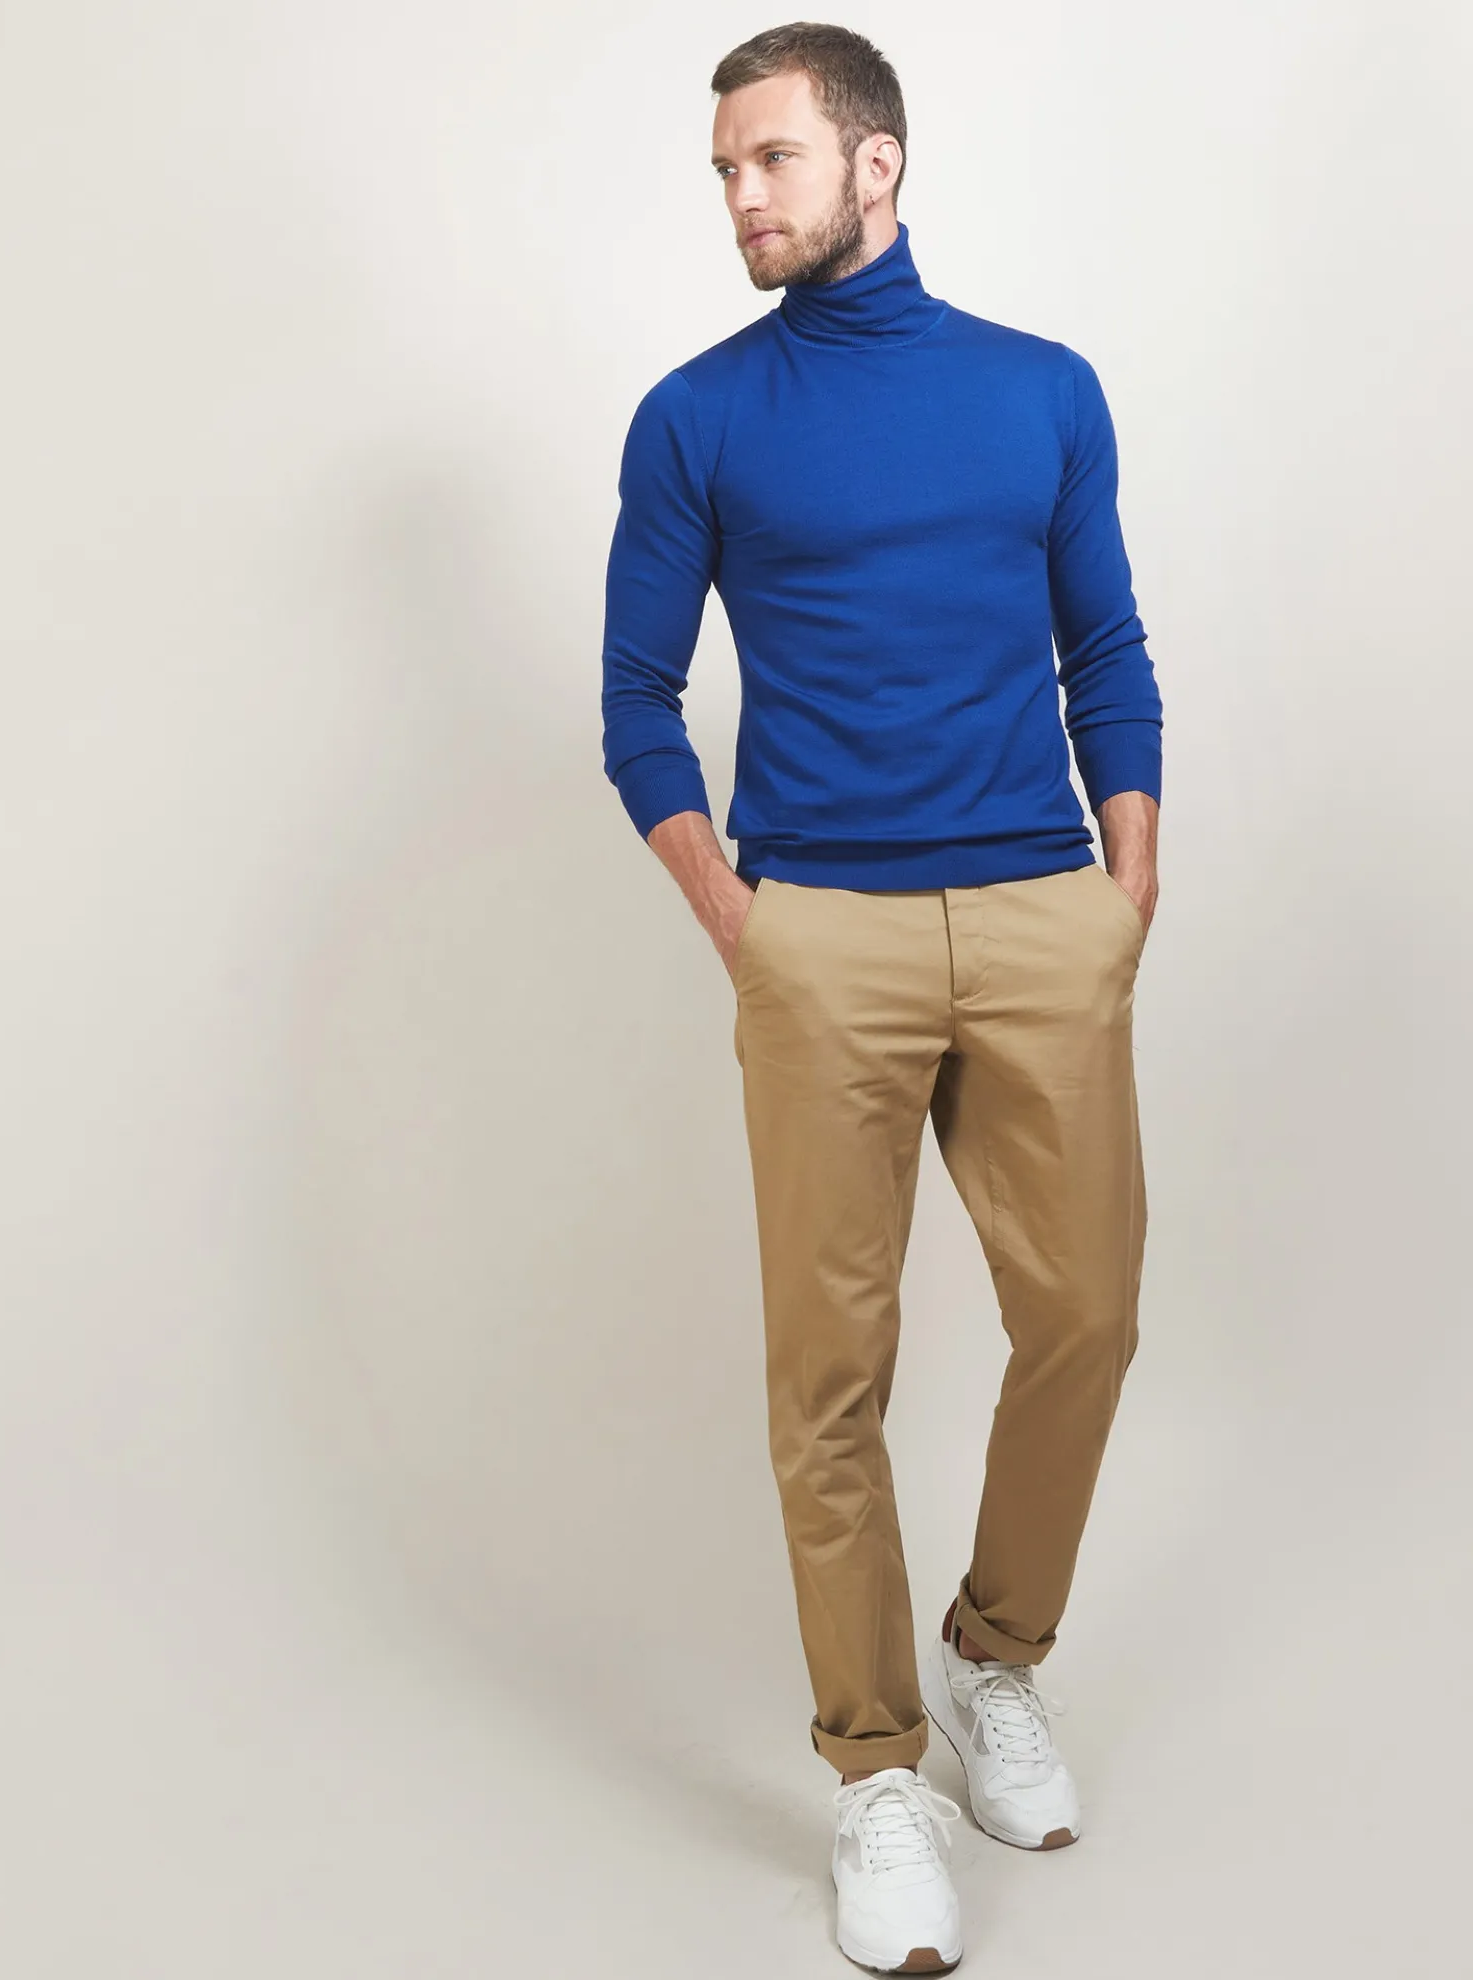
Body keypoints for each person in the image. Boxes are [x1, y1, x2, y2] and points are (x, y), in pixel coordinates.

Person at [597, 22, 1163, 1975]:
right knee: (829, 1381)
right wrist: (743, 924)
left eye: (770, 160)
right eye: (724, 171)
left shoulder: (1042, 392)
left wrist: (1124, 894)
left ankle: (996, 1656)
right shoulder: (697, 418)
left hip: (1036, 912)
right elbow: (636, 703)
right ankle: (874, 1772)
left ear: (877, 164)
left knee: (1087, 1315)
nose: (741, 197)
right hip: (819, 928)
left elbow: (1107, 648)